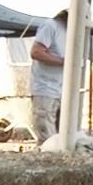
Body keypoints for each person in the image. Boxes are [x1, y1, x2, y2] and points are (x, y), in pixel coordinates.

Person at [29, 9, 67, 143]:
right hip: (46, 88)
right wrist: (64, 62)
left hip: (62, 89)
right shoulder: (51, 26)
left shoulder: (71, 32)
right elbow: (36, 52)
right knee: (46, 135)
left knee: (61, 134)